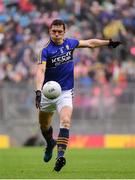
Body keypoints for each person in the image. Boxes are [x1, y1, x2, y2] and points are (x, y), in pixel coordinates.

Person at [35, 19, 121, 172]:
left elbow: (90, 43)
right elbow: (40, 71)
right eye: (53, 31)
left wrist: (108, 42)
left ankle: (60, 156)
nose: (56, 34)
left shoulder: (70, 43)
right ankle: (50, 144)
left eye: (59, 31)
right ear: (49, 31)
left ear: (64, 32)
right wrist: (38, 91)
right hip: (48, 93)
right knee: (44, 126)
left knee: (66, 121)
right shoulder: (45, 50)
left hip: (65, 92)